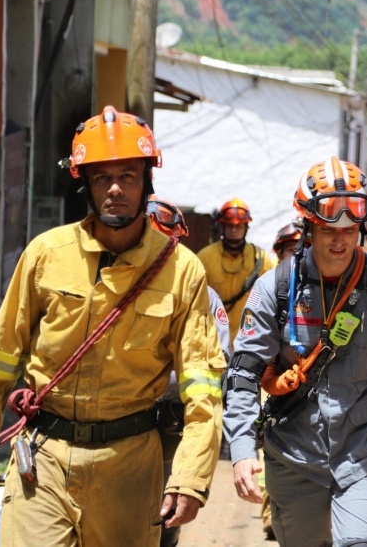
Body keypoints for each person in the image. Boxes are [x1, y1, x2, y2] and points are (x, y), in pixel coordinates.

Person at [0, 106, 225, 546]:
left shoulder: (182, 270)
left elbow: (202, 388)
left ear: (147, 181)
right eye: (101, 177)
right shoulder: (45, 254)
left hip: (130, 468)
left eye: (128, 176)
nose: (115, 188)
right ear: (86, 185)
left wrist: (190, 477)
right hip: (43, 460)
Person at [223, 156, 367, 547]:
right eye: (328, 230)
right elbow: (243, 373)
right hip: (294, 456)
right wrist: (240, 448)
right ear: (308, 226)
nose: (340, 241)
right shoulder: (276, 289)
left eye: (350, 230)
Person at [146, 195, 231, 547]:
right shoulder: (110, 287)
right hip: (116, 417)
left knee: (164, 513)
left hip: (170, 419)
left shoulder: (203, 296)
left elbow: (217, 360)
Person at [198, 198, 276, 346]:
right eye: (229, 226)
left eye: (238, 226)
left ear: (246, 227)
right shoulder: (204, 257)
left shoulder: (261, 259)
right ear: (222, 226)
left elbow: (272, 301)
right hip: (213, 341)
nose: (233, 230)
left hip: (249, 340)